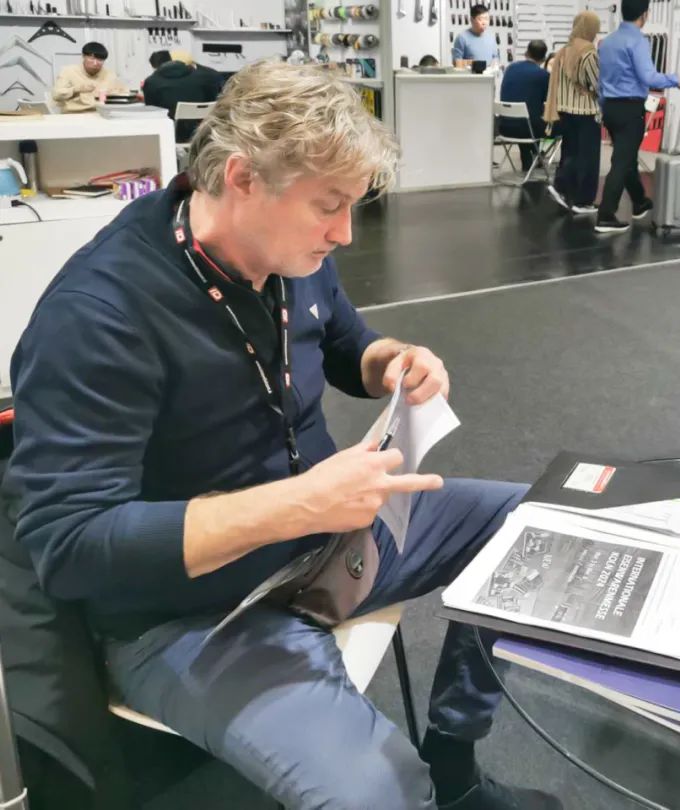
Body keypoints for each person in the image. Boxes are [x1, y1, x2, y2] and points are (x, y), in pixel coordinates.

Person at [7, 62, 561, 810]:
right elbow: (71, 547)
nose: (345, 233)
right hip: (196, 613)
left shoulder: (288, 255)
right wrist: (299, 505)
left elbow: (343, 341)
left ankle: (454, 762)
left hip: (326, 536)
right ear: (242, 178)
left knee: (536, 527)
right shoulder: (97, 315)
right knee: (378, 796)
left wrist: (391, 361)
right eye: (328, 207)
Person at [595, 0, 680, 234]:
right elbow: (649, 77)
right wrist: (677, 80)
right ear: (645, 14)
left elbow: (600, 80)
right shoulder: (638, 41)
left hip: (611, 108)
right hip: (629, 109)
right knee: (621, 162)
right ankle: (605, 215)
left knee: (626, 158)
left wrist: (604, 105)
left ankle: (639, 202)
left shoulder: (607, 42)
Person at [544, 11, 602, 216]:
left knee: (570, 154)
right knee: (588, 158)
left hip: (565, 111)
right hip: (586, 112)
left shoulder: (564, 50)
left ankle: (563, 189)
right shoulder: (588, 52)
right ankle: (582, 201)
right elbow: (597, 83)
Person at [143, 49, 224, 142]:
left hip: (170, 133)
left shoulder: (152, 82)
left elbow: (151, 110)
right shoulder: (203, 78)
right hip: (202, 132)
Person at [498, 40, 550, 170]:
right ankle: (540, 156)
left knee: (527, 118)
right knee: (558, 125)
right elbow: (549, 101)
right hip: (528, 130)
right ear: (544, 59)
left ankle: (531, 160)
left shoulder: (510, 69)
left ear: (526, 53)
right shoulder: (543, 75)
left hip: (505, 127)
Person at [52, 42, 127, 113]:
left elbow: (125, 94)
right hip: (74, 114)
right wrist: (76, 89)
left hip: (101, 113)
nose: (95, 63)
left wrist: (113, 94)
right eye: (92, 58)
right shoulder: (68, 71)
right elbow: (56, 95)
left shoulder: (110, 75)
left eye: (100, 60)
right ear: (83, 56)